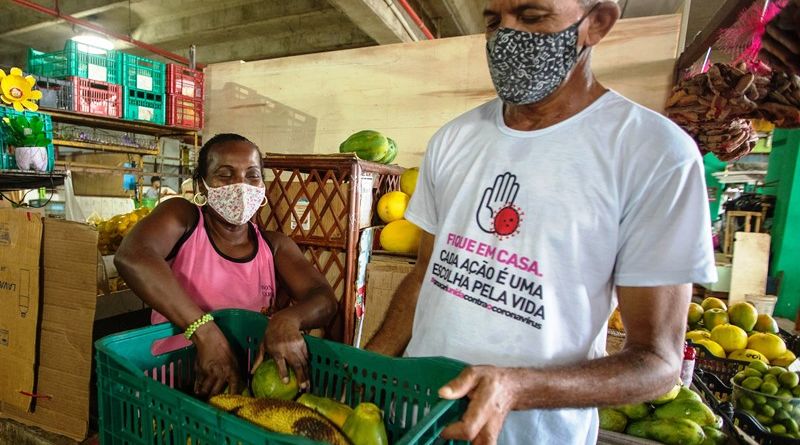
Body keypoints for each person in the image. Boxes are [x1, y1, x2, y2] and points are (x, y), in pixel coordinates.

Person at [366, 1, 716, 444]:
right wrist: (369, 370)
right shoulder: (453, 140)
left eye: (532, 18)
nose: (507, 37)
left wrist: (518, 387)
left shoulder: (654, 155)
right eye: (494, 22)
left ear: (597, 23)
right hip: (416, 419)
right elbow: (425, 278)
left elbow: (656, 362)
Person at [115, 133, 338, 397]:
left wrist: (288, 318)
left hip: (241, 389)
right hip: (171, 385)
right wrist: (205, 333)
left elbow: (323, 298)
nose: (240, 185)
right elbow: (132, 256)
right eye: (225, 174)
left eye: (252, 175)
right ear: (201, 186)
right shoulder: (184, 218)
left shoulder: (274, 247)